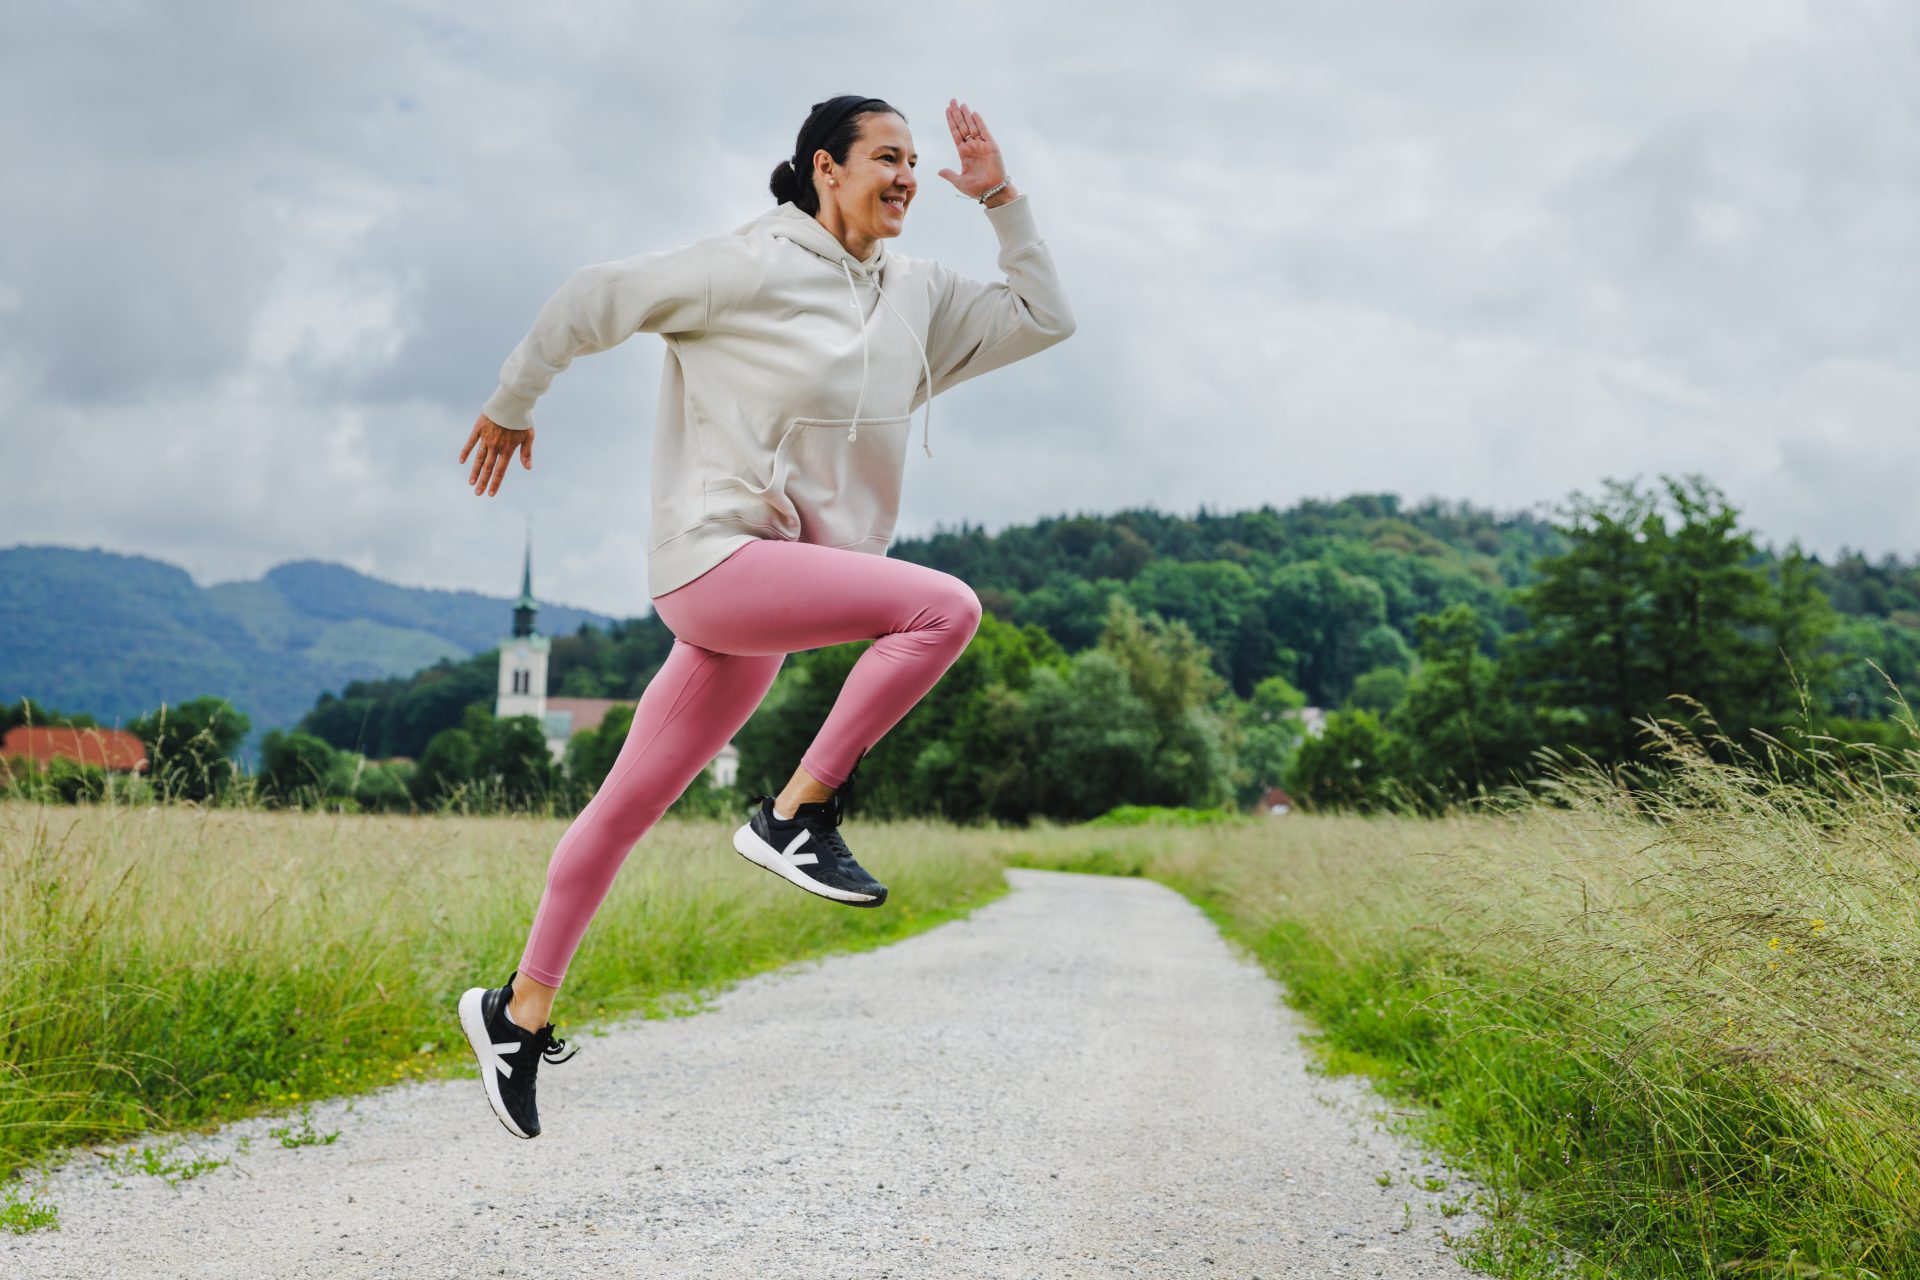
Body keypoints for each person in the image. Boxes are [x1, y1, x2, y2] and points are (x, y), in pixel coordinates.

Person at [454, 95, 1074, 1139]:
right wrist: (515, 398)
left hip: (775, 595)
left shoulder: (918, 294)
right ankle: (797, 812)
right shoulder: (746, 266)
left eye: (917, 163)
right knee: (944, 609)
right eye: (889, 156)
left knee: (622, 809)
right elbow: (590, 296)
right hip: (714, 559)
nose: (909, 176)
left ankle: (516, 1011)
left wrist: (1003, 199)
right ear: (825, 167)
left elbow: (1043, 315)